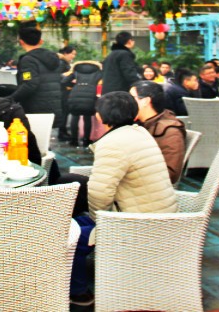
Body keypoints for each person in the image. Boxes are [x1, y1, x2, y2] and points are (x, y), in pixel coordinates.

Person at [70, 91, 177, 305]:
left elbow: (99, 193)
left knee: (68, 238)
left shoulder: (113, 143)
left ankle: (79, 292)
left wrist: (100, 225)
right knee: (71, 221)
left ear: (100, 116)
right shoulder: (139, 132)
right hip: (161, 213)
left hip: (138, 223)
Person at [131, 81, 186, 184]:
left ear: (145, 101)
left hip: (149, 188)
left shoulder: (170, 131)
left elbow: (171, 174)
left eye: (131, 98)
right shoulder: (141, 124)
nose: (128, 102)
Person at [9, 24, 62, 131]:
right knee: (44, 137)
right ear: (41, 41)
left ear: (21, 42)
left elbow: (29, 84)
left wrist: (10, 99)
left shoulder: (28, 60)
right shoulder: (53, 58)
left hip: (35, 108)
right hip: (53, 105)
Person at [64, 60, 103, 146]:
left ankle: (74, 140)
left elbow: (64, 81)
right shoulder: (98, 72)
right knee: (87, 118)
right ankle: (86, 140)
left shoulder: (76, 71)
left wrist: (74, 86)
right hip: (90, 95)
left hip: (75, 93)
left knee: (74, 116)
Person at [57, 46, 78, 144]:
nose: (73, 56)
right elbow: (60, 77)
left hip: (65, 90)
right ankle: (62, 133)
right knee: (64, 112)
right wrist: (70, 78)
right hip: (63, 91)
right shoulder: (61, 63)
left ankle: (63, 131)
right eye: (72, 53)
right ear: (65, 53)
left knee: (65, 112)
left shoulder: (65, 63)